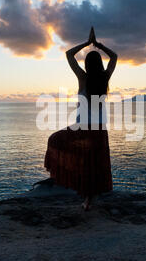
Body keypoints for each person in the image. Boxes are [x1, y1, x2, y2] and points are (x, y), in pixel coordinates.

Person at [44, 27, 118, 210]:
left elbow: (69, 55)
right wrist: (99, 45)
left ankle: (87, 200)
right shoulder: (104, 78)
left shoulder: (82, 78)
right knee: (94, 164)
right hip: (100, 130)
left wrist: (87, 43)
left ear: (87, 65)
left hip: (83, 128)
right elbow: (114, 57)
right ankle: (90, 199)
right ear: (100, 64)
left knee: (60, 144)